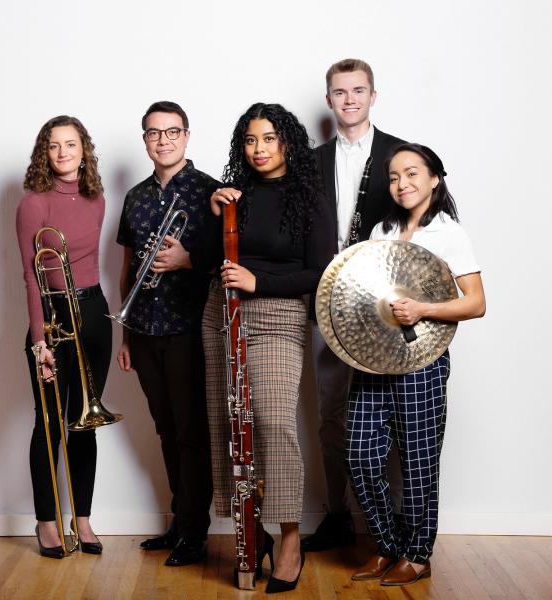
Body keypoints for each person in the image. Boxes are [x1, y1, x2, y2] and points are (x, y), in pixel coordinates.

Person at [206, 103, 335, 593]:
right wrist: (214, 213)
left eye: (268, 139)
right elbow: (205, 261)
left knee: (274, 421)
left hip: (277, 314)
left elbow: (320, 273)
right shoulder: (234, 195)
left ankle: (289, 538)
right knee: (227, 422)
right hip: (220, 311)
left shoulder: (310, 198)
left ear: (287, 143)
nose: (258, 150)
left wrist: (259, 281)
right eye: (250, 140)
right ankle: (248, 532)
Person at [346, 143, 486, 586]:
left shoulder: (448, 233)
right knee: (360, 453)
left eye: (411, 174)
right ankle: (387, 545)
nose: (401, 183)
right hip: (373, 359)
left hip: (422, 360)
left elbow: (476, 303)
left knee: (419, 460)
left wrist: (422, 309)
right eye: (393, 176)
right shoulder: (381, 230)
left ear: (434, 179)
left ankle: (418, 554)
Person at [304, 58, 407, 552]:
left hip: (382, 305)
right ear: (329, 100)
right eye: (340, 92)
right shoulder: (312, 160)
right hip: (327, 303)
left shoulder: (398, 154)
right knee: (331, 412)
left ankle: (394, 520)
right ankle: (339, 513)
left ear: (373, 95)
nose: (349, 99)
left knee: (391, 410)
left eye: (358, 90)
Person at [115, 101, 216, 567]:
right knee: (166, 428)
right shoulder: (134, 197)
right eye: (154, 133)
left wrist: (188, 260)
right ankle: (181, 520)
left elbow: (230, 264)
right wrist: (125, 334)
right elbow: (127, 266)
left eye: (172, 132)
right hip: (145, 328)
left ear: (187, 136)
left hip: (189, 329)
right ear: (145, 140)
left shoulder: (211, 191)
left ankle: (195, 532)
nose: (164, 140)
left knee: (192, 432)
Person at [16, 115, 110, 558]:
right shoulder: (33, 204)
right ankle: (47, 522)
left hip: (93, 312)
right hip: (52, 317)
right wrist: (39, 342)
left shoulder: (97, 198)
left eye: (70, 144)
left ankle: (84, 520)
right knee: (49, 423)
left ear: (83, 149)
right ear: (44, 152)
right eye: (53, 145)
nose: (63, 153)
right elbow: (31, 278)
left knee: (84, 423)